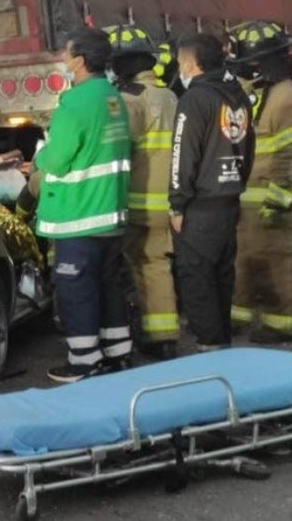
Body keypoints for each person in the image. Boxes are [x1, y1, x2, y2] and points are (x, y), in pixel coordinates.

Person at [35, 28, 133, 383]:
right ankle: (118, 354)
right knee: (109, 286)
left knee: (76, 291)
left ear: (79, 61)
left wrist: (40, 153)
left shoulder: (74, 103)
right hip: (109, 212)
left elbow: (57, 161)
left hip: (78, 215)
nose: (62, 58)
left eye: (66, 53)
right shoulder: (112, 97)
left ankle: (83, 362)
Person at [168, 33, 255, 352]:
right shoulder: (238, 95)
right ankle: (222, 346)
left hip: (199, 206)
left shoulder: (194, 99)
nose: (180, 69)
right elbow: (250, 146)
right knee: (221, 278)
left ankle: (209, 351)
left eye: (181, 62)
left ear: (192, 63)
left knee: (197, 280)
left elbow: (182, 154)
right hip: (229, 201)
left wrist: (177, 204)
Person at [228, 21, 292, 343]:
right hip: (248, 198)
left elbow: (291, 154)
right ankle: (239, 316)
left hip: (271, 199)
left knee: (278, 263)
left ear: (259, 63)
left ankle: (281, 324)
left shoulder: (285, 97)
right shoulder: (258, 92)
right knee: (245, 260)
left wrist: (279, 198)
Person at [108, 27, 180, 360]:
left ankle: (142, 333)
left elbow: (118, 148)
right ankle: (164, 335)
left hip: (135, 201)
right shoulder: (168, 96)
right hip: (167, 200)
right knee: (157, 265)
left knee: (135, 268)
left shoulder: (128, 100)